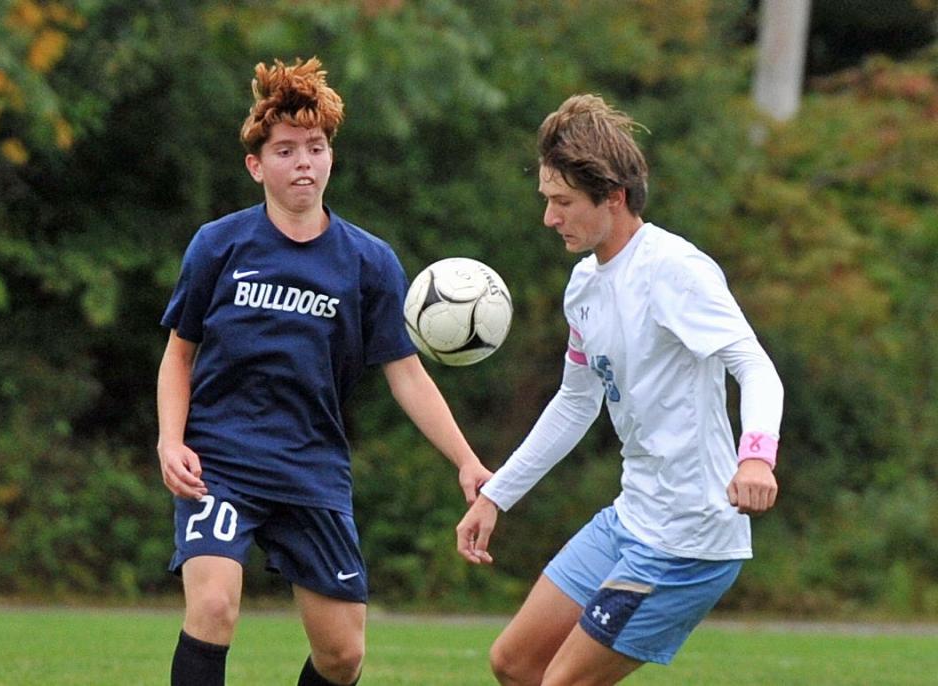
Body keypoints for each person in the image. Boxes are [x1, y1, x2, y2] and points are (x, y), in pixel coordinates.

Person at [157, 56, 490, 686]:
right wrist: (171, 440)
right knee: (212, 604)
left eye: (315, 147)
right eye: (285, 150)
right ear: (257, 166)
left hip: (312, 468)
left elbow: (407, 374)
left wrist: (467, 461)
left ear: (331, 156)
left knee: (343, 657)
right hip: (221, 462)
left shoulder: (369, 263)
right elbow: (179, 352)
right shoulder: (219, 246)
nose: (303, 161)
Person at [456, 94, 784, 685]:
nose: (549, 219)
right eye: (547, 201)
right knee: (515, 663)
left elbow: (756, 368)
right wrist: (494, 495)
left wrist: (756, 456)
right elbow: (575, 403)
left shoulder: (676, 271)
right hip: (631, 519)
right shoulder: (584, 285)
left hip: (688, 541)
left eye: (562, 203)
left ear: (614, 197)